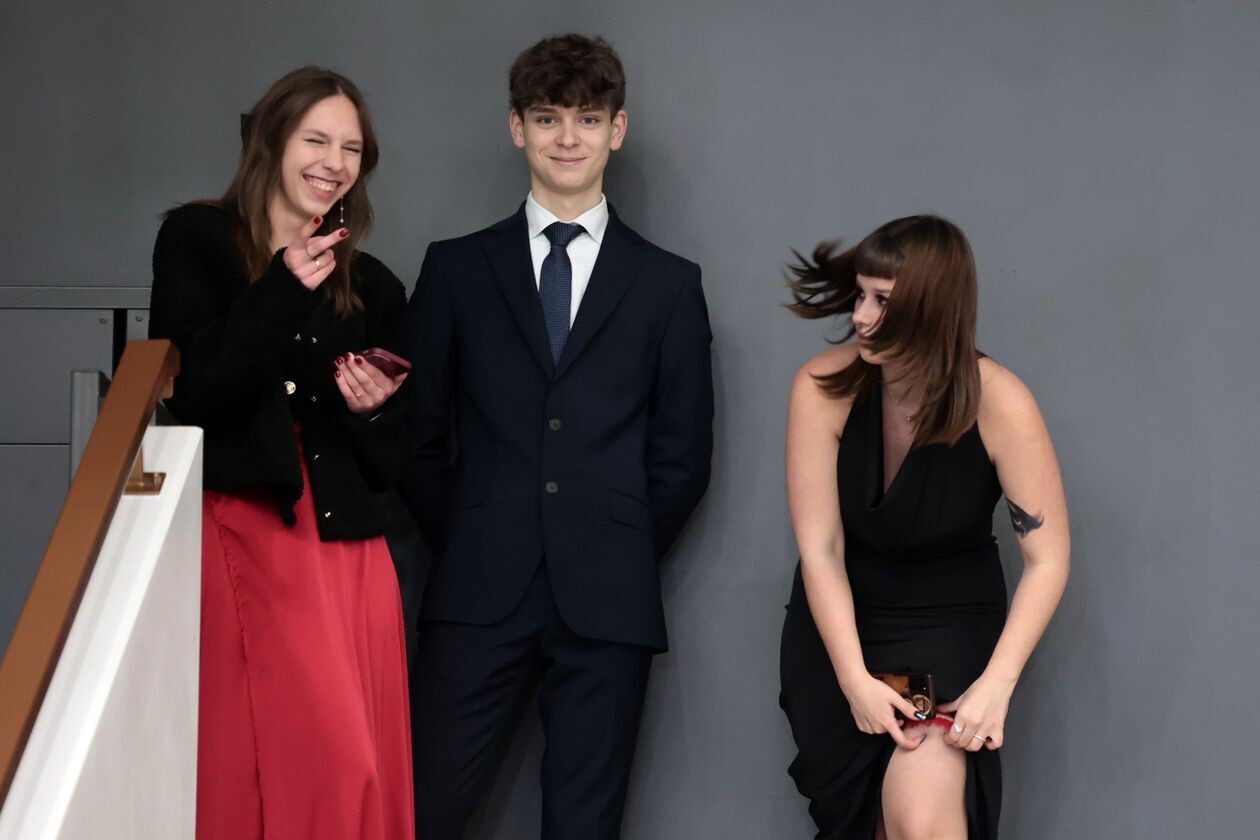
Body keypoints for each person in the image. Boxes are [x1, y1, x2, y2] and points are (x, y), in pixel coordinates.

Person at [402, 33, 714, 840]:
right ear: (518, 128)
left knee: (584, 826)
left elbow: (682, 458)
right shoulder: (455, 269)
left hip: (607, 598)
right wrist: (470, 533)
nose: (567, 137)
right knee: (421, 812)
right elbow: (418, 438)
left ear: (617, 129)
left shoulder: (668, 284)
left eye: (587, 118)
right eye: (547, 118)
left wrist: (615, 543)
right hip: (476, 587)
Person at [148, 67, 414, 840]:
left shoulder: (375, 286)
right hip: (252, 525)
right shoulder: (198, 239)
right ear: (271, 139)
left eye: (351, 149)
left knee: (360, 763)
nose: (334, 162)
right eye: (315, 140)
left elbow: (395, 461)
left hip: (351, 550)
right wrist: (283, 286)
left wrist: (372, 411)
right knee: (298, 755)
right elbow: (197, 392)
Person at [778, 215, 1069, 839]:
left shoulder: (1000, 401)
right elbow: (821, 549)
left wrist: (998, 683)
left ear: (934, 307)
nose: (860, 316)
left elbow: (1048, 559)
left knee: (923, 825)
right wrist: (853, 679)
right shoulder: (821, 389)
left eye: (882, 300)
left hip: (949, 627)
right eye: (860, 294)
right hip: (843, 628)